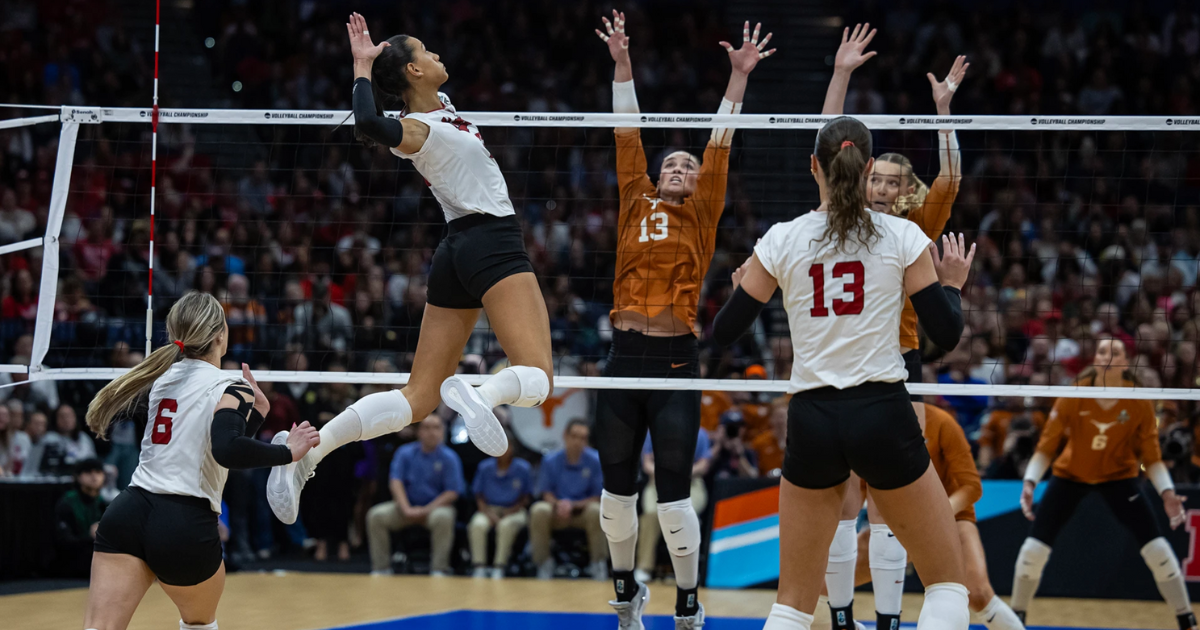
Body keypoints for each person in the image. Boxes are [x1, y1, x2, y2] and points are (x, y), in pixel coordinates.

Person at [268, 12, 554, 525]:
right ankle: (482, 392)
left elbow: (396, 101)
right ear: (415, 73)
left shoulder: (440, 109)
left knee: (419, 398)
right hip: (492, 240)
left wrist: (369, 65)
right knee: (539, 377)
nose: (437, 54)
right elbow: (369, 124)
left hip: (456, 251)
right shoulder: (419, 129)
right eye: (427, 51)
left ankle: (307, 453)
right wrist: (361, 68)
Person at [712, 116, 974, 630]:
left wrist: (743, 284)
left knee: (791, 603)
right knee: (946, 583)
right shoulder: (902, 234)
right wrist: (953, 285)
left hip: (811, 418)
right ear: (869, 167)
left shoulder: (782, 239)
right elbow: (945, 333)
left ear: (814, 166)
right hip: (881, 412)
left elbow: (723, 333)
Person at [593, 11, 775, 627]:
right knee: (616, 495)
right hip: (623, 357)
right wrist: (622, 63)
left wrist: (738, 78)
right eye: (671, 164)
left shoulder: (703, 209)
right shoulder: (633, 196)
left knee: (672, 500)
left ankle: (689, 605)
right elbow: (627, 132)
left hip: (675, 361)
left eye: (687, 167)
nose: (678, 168)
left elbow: (719, 141)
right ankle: (625, 592)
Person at [818, 24, 968, 630]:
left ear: (909, 195)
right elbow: (828, 146)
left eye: (893, 184)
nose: (880, 188)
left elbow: (951, 180)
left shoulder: (914, 229)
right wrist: (842, 75)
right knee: (840, 499)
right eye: (875, 178)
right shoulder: (836, 209)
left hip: (897, 363)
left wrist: (943, 111)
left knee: (883, 501)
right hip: (834, 359)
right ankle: (840, 616)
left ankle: (883, 618)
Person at [80, 291, 320, 630]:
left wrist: (257, 415)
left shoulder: (163, 379)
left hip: (128, 514)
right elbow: (226, 449)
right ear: (221, 334)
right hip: (183, 524)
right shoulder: (232, 385)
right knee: (198, 624)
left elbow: (210, 448)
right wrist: (287, 452)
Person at [1011, 339, 1195, 630]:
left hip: (1119, 478)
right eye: (1101, 351)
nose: (1107, 356)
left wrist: (1168, 493)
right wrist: (1030, 482)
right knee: (1033, 551)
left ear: (1125, 361)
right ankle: (1016, 616)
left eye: (1115, 352)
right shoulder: (1074, 394)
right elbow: (1046, 448)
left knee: (1157, 551)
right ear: (1094, 359)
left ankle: (1186, 618)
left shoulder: (1139, 402)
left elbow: (1153, 459)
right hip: (1070, 475)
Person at [366, 414, 464, 576]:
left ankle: (439, 569)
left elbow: (452, 492)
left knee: (444, 518)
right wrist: (406, 508)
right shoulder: (405, 453)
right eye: (426, 428)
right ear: (418, 432)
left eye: (436, 428)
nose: (431, 432)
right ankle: (381, 568)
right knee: (376, 516)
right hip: (406, 507)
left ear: (442, 431)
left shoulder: (450, 458)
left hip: (435, 509)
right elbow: (395, 482)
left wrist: (425, 510)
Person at [529, 419, 605, 580]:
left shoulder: (596, 461)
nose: (578, 441)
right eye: (574, 436)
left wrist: (573, 505)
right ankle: (543, 563)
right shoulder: (550, 461)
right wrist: (559, 505)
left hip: (582, 514)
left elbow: (597, 497)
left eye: (583, 438)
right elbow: (546, 493)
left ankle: (598, 562)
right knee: (538, 510)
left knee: (597, 511)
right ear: (565, 436)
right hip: (557, 513)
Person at [635, 429, 711, 584]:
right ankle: (644, 567)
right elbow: (647, 463)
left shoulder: (700, 433)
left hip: (691, 483)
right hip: (657, 481)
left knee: (685, 515)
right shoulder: (652, 431)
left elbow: (703, 465)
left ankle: (686, 570)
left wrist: (680, 474)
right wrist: (665, 474)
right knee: (650, 515)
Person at [467, 430, 533, 578]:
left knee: (506, 526)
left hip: (514, 509)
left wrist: (512, 510)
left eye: (506, 445)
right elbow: (479, 495)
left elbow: (526, 497)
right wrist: (488, 513)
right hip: (488, 509)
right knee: (477, 525)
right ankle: (479, 566)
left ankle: (499, 566)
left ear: (512, 448)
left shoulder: (523, 468)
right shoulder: (485, 467)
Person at [55, 458, 109, 578]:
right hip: (73, 560)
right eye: (88, 472)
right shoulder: (68, 503)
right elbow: (64, 541)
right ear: (78, 477)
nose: (94, 476)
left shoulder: (103, 503)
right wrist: (90, 536)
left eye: (98, 472)